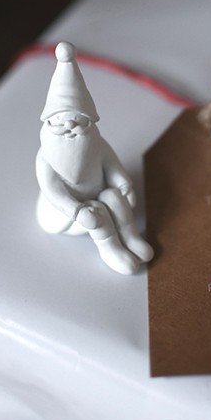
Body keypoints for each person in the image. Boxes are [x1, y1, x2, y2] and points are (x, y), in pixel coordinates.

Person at [35, 42, 154, 275]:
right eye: (60, 122)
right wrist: (75, 210)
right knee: (96, 213)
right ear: (48, 121)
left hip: (99, 190)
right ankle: (110, 247)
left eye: (77, 120)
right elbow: (52, 190)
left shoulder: (96, 142)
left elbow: (111, 164)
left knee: (114, 198)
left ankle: (130, 236)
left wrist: (123, 183)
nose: (69, 127)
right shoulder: (44, 158)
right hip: (69, 211)